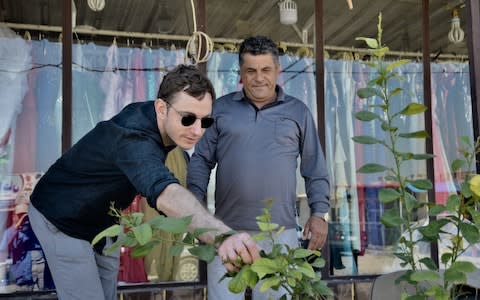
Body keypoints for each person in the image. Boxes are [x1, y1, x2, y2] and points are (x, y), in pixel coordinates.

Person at [28, 64, 260, 300]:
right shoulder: (133, 139)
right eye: (188, 119)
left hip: (103, 219)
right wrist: (222, 236)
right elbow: (166, 192)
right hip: (62, 216)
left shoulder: (159, 121)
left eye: (205, 121)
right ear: (161, 108)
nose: (198, 131)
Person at [187, 35, 331, 299]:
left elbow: (315, 167)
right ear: (241, 74)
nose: (259, 78)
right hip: (225, 232)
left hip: (280, 234)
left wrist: (320, 213)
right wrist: (195, 211)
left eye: (266, 70)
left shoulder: (298, 112)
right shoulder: (219, 110)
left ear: (278, 70)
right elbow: (201, 161)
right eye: (250, 71)